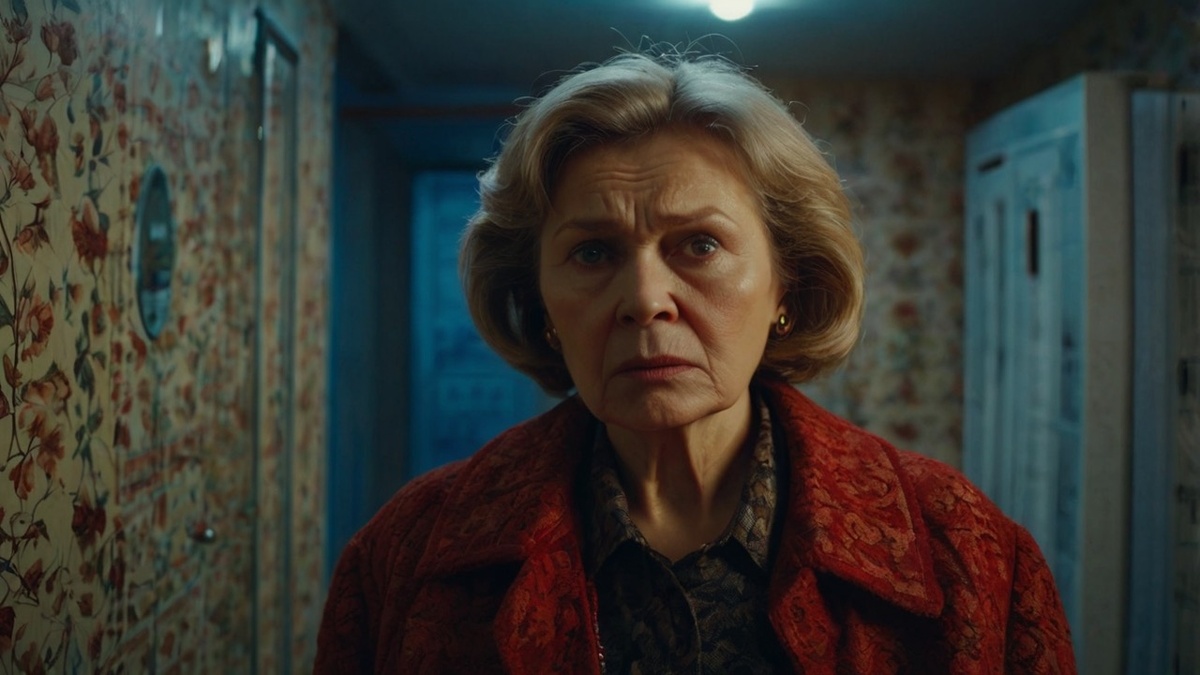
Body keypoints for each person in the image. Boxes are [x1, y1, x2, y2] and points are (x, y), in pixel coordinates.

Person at [315, 51, 1076, 674]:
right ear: (541, 303)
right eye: (593, 253)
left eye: (700, 245)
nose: (646, 299)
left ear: (787, 284)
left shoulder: (967, 554)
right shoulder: (403, 556)